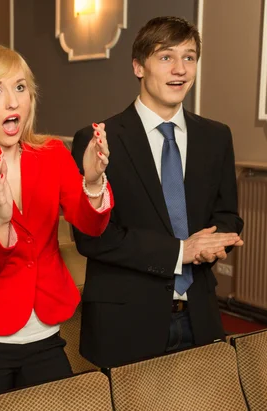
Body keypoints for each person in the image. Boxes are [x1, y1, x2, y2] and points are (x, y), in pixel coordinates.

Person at [0, 45, 113, 405]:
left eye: (20, 87)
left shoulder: (52, 154)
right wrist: (0, 220)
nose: (12, 101)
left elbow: (90, 226)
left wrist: (92, 181)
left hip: (44, 335)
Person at [71, 16, 244, 369]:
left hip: (199, 314)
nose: (180, 69)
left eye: (190, 57)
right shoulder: (99, 140)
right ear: (138, 67)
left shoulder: (216, 137)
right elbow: (93, 239)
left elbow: (228, 214)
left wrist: (218, 242)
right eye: (166, 57)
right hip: (126, 321)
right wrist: (181, 251)